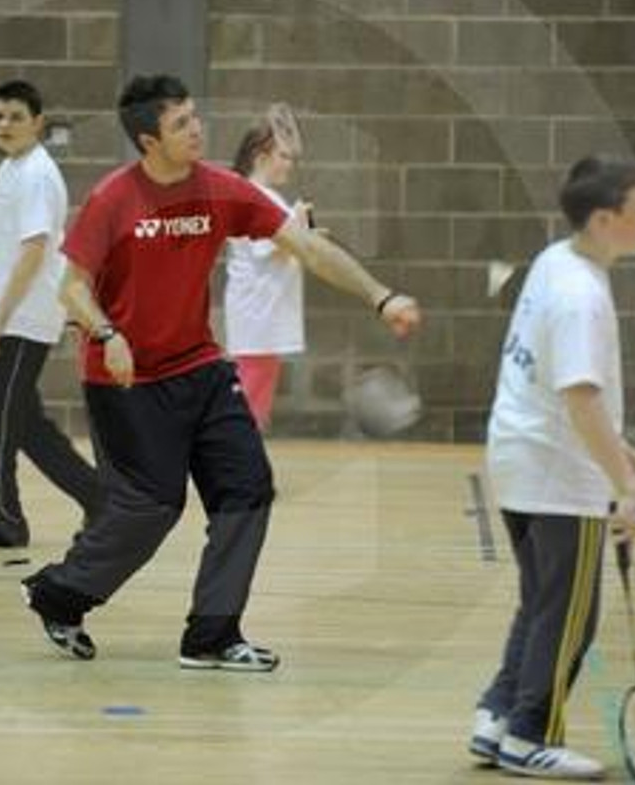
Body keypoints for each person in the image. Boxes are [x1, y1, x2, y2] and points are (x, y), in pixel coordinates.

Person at [21, 74, 421, 671]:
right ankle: (59, 594)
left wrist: (380, 295)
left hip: (201, 367)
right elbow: (71, 286)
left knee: (247, 489)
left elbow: (307, 246)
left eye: (194, 116)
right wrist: (107, 334)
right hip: (126, 382)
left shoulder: (220, 189)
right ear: (148, 140)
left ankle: (212, 633)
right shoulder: (113, 199)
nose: (197, 128)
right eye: (181, 123)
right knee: (152, 508)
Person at [469, 155, 635, 779]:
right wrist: (625, 486)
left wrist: (617, 449)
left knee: (542, 602)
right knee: (572, 615)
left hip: (518, 456)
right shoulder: (580, 296)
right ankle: (529, 736)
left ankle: (496, 715)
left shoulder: (558, 260)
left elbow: (563, 384)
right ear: (604, 219)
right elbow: (580, 397)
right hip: (555, 474)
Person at [0, 80, 102, 549]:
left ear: (37, 122)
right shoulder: (12, 167)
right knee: (26, 425)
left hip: (24, 318)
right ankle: (101, 499)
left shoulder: (37, 173)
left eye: (16, 117)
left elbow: (35, 250)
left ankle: (4, 522)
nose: (5, 125)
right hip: (18, 316)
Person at [223, 115, 311, 430]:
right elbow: (278, 245)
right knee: (247, 410)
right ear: (261, 157)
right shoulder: (256, 197)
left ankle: (242, 471)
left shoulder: (261, 195)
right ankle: (232, 471)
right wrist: (299, 223)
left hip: (264, 319)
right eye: (284, 156)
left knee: (254, 408)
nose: (290, 164)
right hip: (258, 318)